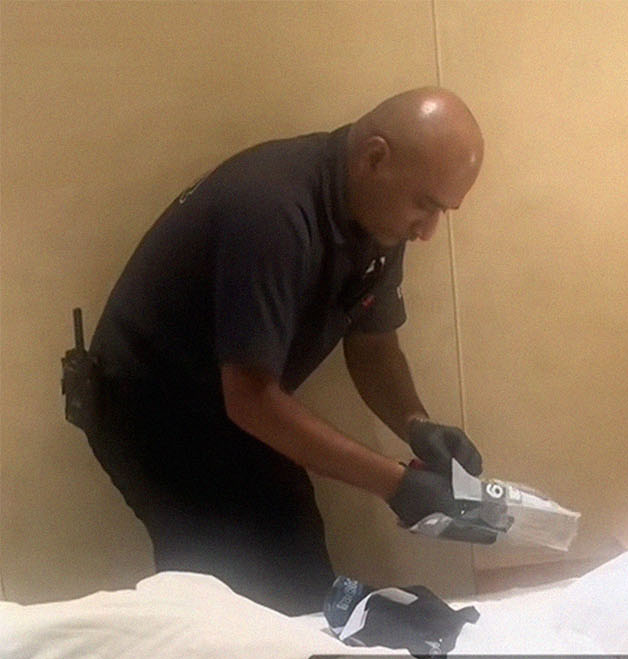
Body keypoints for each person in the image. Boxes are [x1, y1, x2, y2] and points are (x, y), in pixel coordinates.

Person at [74, 87, 490, 615]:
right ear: (375, 157)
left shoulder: (381, 216)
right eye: (425, 206)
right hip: (152, 410)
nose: (428, 231)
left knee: (299, 576)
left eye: (442, 212)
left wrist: (416, 424)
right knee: (231, 595)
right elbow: (250, 400)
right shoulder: (274, 209)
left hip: (236, 405)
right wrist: (399, 486)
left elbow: (373, 343)